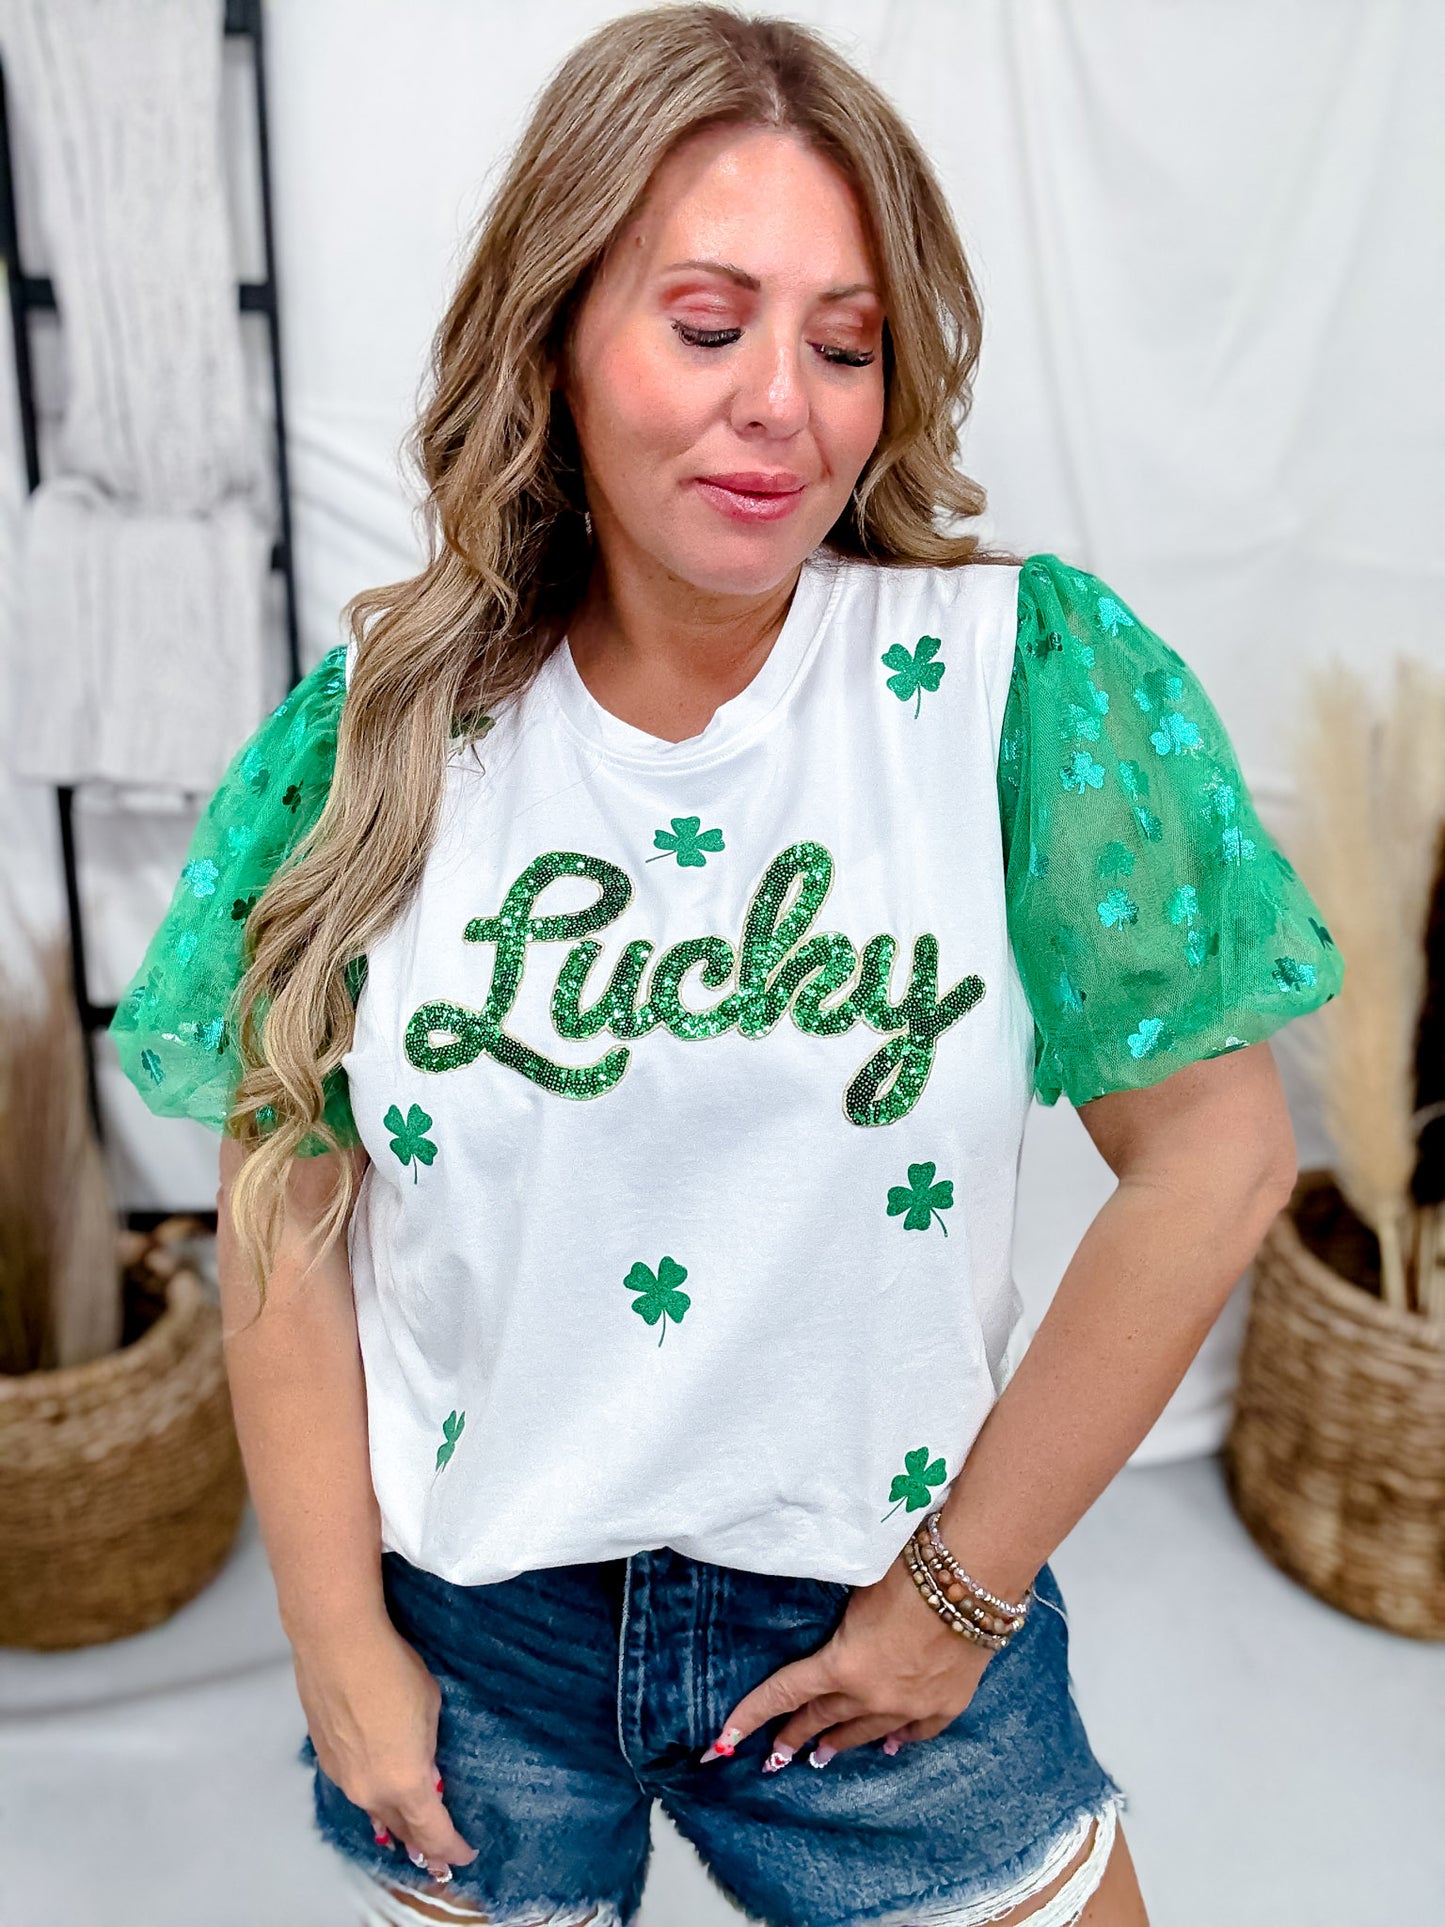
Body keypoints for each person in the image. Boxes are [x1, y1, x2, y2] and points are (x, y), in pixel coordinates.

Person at [111, 8, 1343, 1924]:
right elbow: (288, 1198)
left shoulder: (1007, 687)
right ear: (554, 341)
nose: (785, 403)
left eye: (843, 345)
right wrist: (333, 1639)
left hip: (870, 1599)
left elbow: (1218, 1157)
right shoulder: (376, 736)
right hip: (477, 1629)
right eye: (707, 326)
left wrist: (956, 1599)